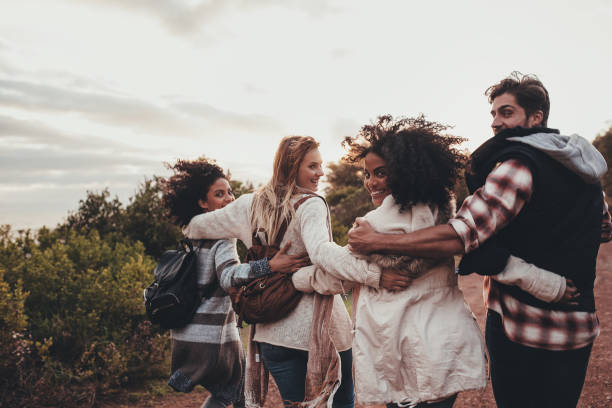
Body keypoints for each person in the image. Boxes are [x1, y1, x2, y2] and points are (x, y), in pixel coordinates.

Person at [347, 72, 612, 408]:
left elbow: (460, 236)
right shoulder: (583, 172)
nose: (495, 123)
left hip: (522, 325)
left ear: (536, 117)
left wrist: (377, 241)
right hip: (578, 326)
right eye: (493, 114)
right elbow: (603, 229)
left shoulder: (517, 166)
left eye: (506, 113)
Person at [292, 115, 487, 407]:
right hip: (442, 346)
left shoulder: (380, 222)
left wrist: (295, 276)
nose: (371, 182)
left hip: (404, 355)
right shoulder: (439, 209)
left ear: (405, 171)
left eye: (380, 173)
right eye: (367, 174)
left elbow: (335, 268)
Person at [182, 137, 384, 408]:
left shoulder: (248, 205)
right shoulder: (311, 204)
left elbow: (192, 227)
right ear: (291, 167)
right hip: (322, 332)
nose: (321, 173)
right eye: (313, 166)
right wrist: (371, 265)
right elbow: (322, 254)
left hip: (271, 335)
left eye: (321, 165)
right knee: (342, 400)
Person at [161, 158, 309, 408]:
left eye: (230, 192)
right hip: (214, 337)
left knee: (239, 391)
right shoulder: (222, 239)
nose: (229, 199)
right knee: (233, 392)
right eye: (219, 194)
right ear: (202, 202)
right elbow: (229, 276)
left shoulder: (190, 237)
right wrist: (271, 265)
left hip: (186, 334)